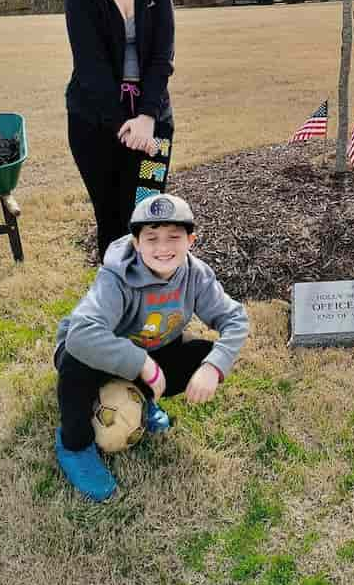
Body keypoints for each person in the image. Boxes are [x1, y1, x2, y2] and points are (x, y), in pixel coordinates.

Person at [54, 193, 250, 501]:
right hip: (96, 356)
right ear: (136, 243)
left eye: (174, 237)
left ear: (191, 240)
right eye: (152, 238)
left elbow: (235, 319)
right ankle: (74, 445)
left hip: (149, 350)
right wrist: (144, 365)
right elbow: (81, 335)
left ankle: (142, 401)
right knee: (73, 358)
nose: (162, 248)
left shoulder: (196, 274)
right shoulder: (116, 277)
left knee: (202, 353)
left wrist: (213, 367)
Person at [64, 0, 176, 261]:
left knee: (148, 212)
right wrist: (123, 127)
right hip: (94, 125)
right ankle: (115, 298)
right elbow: (91, 67)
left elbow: (162, 60)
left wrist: (147, 120)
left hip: (154, 123)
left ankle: (149, 292)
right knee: (112, 217)